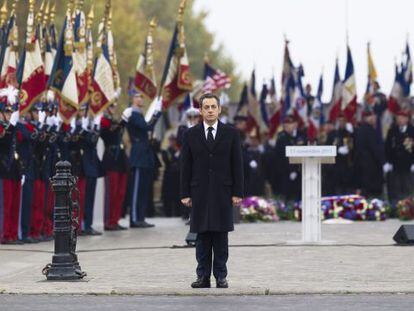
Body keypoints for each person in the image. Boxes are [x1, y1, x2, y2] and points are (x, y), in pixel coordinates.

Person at [180, 93, 244, 289]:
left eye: (213, 107)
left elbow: (237, 165)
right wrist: (185, 193)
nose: (209, 110)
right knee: (202, 236)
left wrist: (237, 192)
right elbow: (185, 166)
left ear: (219, 109)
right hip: (199, 192)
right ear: (200, 110)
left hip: (222, 192)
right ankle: (202, 277)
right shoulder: (190, 135)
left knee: (220, 236)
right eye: (206, 107)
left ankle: (221, 276)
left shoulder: (231, 133)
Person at [122, 91, 161, 228]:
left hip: (145, 154)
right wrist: (157, 114)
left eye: (141, 97)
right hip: (138, 154)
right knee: (137, 189)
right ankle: (134, 219)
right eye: (138, 97)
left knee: (144, 189)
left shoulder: (139, 114)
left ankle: (141, 217)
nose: (140, 99)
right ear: (132, 99)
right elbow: (147, 126)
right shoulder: (132, 113)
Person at [100, 103, 129, 231]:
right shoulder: (104, 121)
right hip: (111, 158)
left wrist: (122, 123)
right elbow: (109, 133)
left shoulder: (114, 121)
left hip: (121, 159)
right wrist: (121, 123)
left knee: (120, 192)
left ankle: (115, 219)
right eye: (111, 106)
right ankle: (109, 221)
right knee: (111, 192)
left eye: (114, 106)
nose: (113, 108)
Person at [384, 110, 414, 211]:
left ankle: (408, 209)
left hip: (407, 164)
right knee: (395, 188)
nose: (400, 120)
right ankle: (396, 209)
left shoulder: (411, 131)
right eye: (398, 117)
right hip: (395, 164)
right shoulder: (392, 131)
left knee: (407, 187)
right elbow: (387, 147)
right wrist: (387, 161)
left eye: (402, 117)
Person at [274, 116, 307, 201]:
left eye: (290, 124)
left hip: (301, 170)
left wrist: (297, 170)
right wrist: (291, 170)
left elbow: (306, 151)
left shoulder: (302, 135)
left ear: (295, 124)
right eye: (286, 125)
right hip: (286, 172)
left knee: (300, 195)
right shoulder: (281, 137)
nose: (287, 126)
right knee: (287, 196)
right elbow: (281, 156)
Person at [354, 110, 385, 197]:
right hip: (371, 168)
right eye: (370, 117)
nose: (373, 118)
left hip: (363, 166)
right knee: (372, 194)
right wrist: (383, 161)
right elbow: (375, 149)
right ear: (365, 119)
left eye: (374, 116)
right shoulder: (369, 130)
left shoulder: (361, 129)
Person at [326, 114, 355, 195]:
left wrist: (352, 133)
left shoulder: (349, 133)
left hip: (347, 168)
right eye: (340, 121)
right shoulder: (332, 134)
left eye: (343, 121)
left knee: (347, 191)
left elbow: (354, 148)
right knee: (336, 191)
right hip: (335, 168)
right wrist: (336, 150)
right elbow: (326, 149)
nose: (341, 123)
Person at [161, 134, 181, 217]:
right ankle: (168, 213)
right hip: (169, 175)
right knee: (168, 195)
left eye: (173, 140)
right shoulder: (166, 151)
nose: (172, 142)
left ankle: (177, 212)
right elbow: (168, 161)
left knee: (177, 194)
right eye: (171, 140)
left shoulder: (178, 151)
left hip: (177, 175)